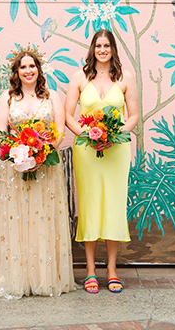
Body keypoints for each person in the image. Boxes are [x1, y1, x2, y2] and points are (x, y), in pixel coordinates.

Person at [0, 49, 75, 298]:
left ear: (39, 70)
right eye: (23, 67)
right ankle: (15, 278)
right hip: (14, 169)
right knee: (16, 220)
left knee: (43, 219)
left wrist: (42, 152)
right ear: (16, 72)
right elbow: (0, 131)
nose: (28, 71)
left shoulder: (52, 96)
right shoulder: (7, 98)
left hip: (46, 169)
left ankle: (44, 277)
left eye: (32, 66)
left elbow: (60, 130)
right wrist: (18, 154)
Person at [65, 29, 138, 294]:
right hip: (87, 152)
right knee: (90, 205)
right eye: (98, 45)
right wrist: (89, 135)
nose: (103, 50)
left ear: (113, 49)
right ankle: (90, 270)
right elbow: (69, 116)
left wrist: (114, 135)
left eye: (107, 45)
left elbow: (133, 116)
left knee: (114, 206)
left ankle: (112, 269)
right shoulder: (80, 78)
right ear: (92, 49)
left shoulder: (126, 78)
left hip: (116, 152)